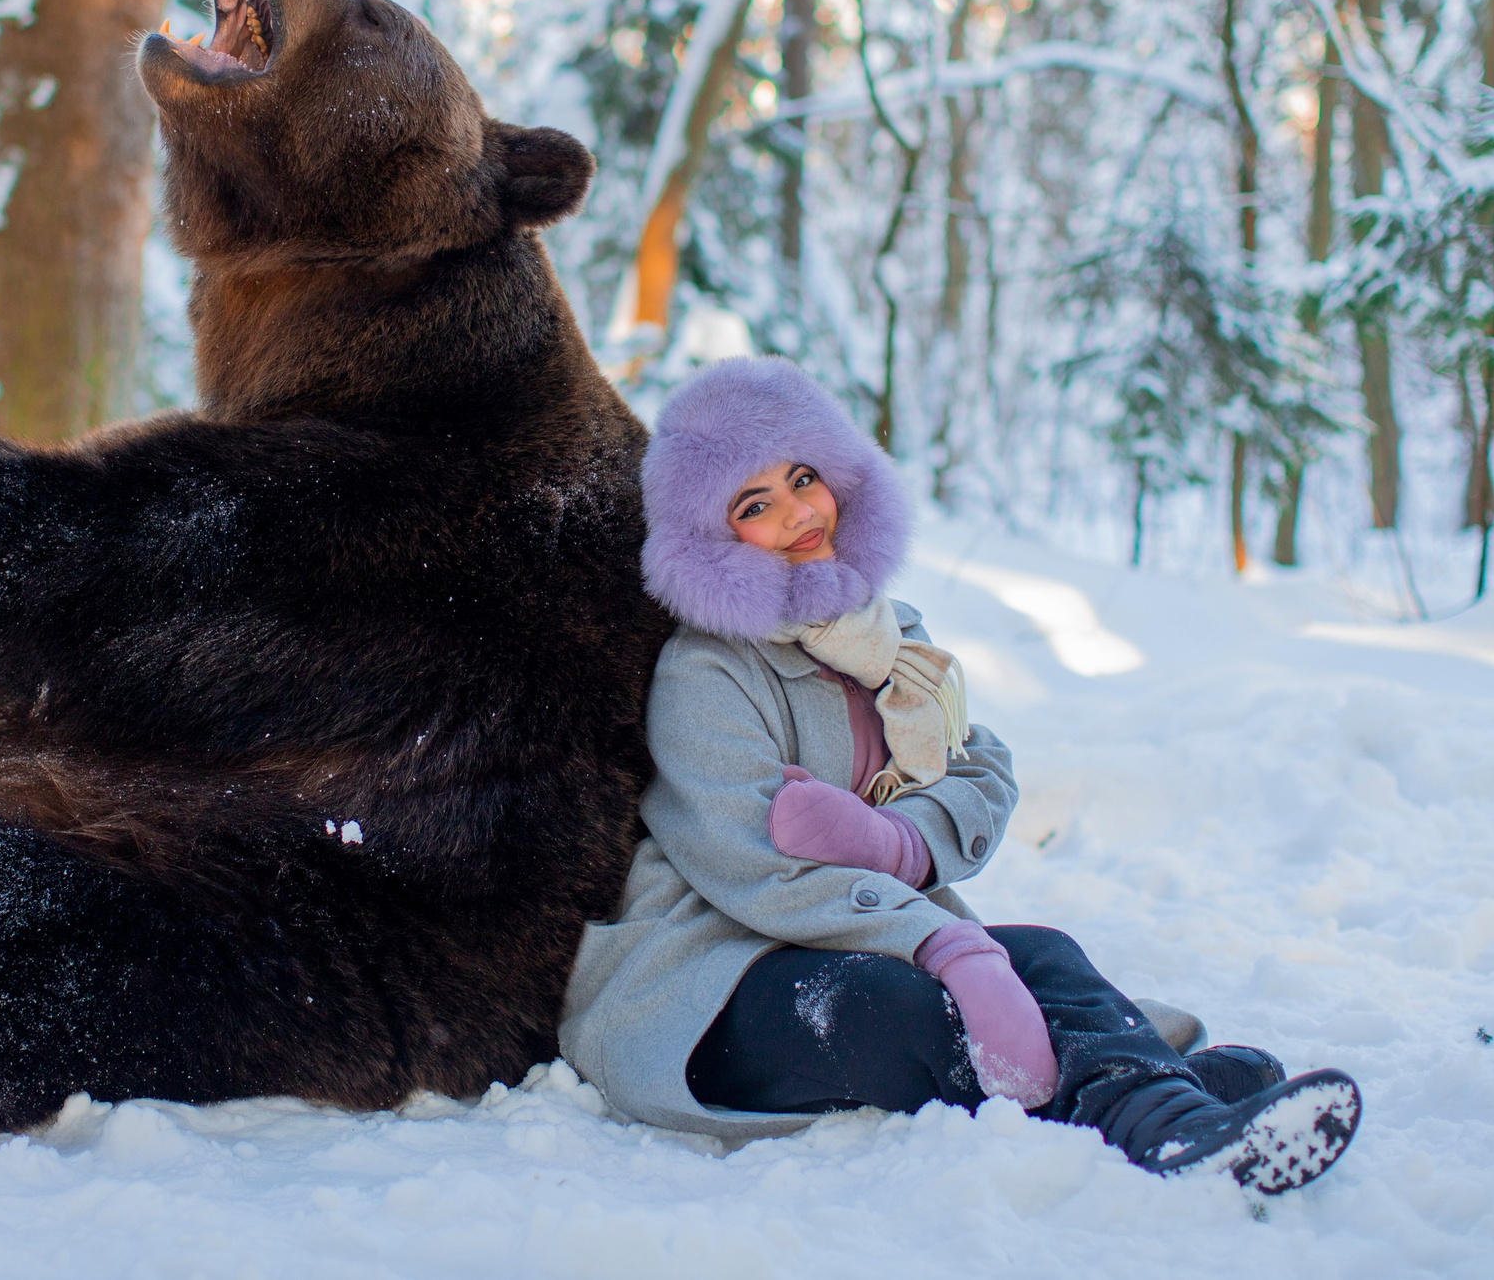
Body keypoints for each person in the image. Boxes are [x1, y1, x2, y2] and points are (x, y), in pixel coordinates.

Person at [560, 357, 1360, 1193]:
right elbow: (752, 863)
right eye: (753, 504)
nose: (797, 513)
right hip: (706, 974)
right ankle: (1150, 1100)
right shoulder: (707, 671)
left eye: (803, 477)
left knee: (1043, 952)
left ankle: (1160, 1101)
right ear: (711, 538)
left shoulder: (887, 638)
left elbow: (979, 767)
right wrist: (939, 939)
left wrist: (901, 844)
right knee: (906, 1008)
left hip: (846, 932)